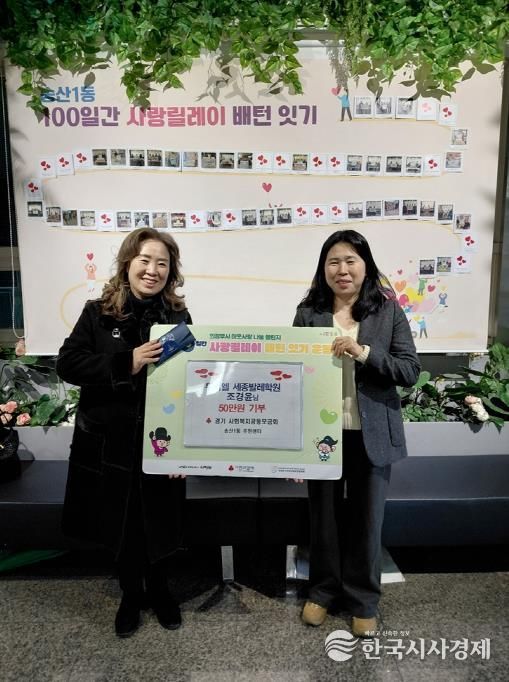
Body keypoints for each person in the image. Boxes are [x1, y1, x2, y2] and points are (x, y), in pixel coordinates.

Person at [56, 227, 192, 638]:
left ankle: (162, 591)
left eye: (162, 264)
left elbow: (191, 381)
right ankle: (131, 595)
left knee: (161, 520)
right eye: (145, 260)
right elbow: (68, 363)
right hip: (110, 443)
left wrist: (185, 449)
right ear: (128, 263)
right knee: (122, 522)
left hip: (161, 440)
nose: (153, 270)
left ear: (171, 272)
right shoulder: (98, 312)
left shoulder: (178, 317)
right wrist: (125, 363)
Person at [293, 230, 420, 638]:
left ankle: (364, 600)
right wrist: (295, 447)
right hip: (322, 436)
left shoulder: (387, 311)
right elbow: (295, 378)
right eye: (333, 261)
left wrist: (362, 352)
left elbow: (409, 370)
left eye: (350, 260)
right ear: (323, 268)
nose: (342, 269)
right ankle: (323, 592)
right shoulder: (308, 312)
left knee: (368, 522)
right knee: (323, 521)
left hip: (372, 434)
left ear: (366, 266)